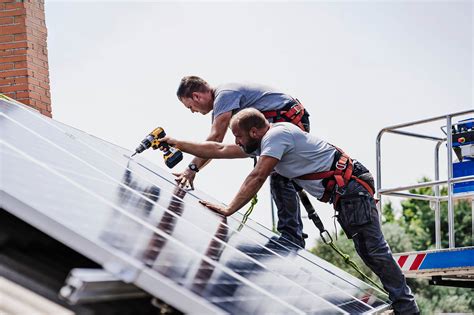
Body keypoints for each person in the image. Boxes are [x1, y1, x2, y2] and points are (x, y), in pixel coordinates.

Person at [161, 108, 420, 314]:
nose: (237, 142)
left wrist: (229, 209)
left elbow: (258, 175)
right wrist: (175, 142)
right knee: (369, 251)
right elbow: (217, 150)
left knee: (373, 250)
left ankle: (407, 309)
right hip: (347, 194)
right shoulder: (267, 141)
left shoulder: (277, 137)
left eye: (239, 137)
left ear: (254, 131)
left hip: (352, 189)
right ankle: (403, 304)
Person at [174, 76, 310, 247]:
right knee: (278, 173)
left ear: (196, 96)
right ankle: (292, 232)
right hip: (286, 121)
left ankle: (292, 236)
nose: (193, 111)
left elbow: (215, 140)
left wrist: (191, 169)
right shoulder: (224, 98)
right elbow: (216, 149)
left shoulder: (225, 95)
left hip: (287, 121)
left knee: (277, 173)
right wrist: (194, 169)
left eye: (190, 107)